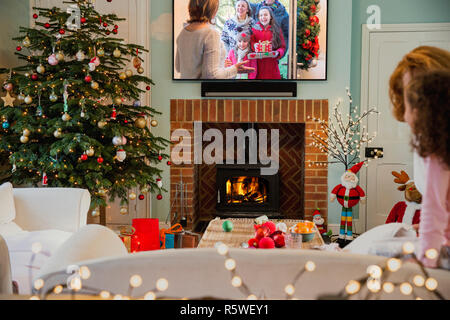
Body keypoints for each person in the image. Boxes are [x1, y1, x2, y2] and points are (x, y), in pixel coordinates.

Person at [402, 70, 450, 270]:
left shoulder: (437, 149)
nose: (404, 116)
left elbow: (434, 208)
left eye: (406, 105)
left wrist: (425, 263)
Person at [175, 0, 255, 79]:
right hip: (205, 88)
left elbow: (178, 67)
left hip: (186, 87)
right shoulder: (211, 34)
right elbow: (212, 75)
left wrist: (221, 63)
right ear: (212, 9)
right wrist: (235, 69)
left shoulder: (183, 32)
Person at [251, 6, 285, 79]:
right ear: (258, 17)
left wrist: (278, 53)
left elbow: (282, 47)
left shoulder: (277, 29)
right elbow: (250, 43)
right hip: (257, 67)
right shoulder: (254, 29)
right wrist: (254, 46)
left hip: (272, 67)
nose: (263, 17)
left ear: (271, 16)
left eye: (266, 15)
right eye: (261, 15)